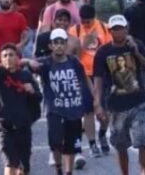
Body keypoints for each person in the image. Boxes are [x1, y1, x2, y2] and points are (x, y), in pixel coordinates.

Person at [93, 15, 145, 175]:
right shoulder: (103, 52)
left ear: (127, 29)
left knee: (143, 141)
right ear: (110, 31)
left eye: (121, 28)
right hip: (116, 105)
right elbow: (98, 79)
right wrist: (97, 104)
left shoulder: (137, 46)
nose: (118, 32)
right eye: (115, 29)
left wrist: (137, 53)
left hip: (138, 102)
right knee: (120, 145)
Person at [25, 29, 94, 175]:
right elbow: (23, 64)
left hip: (74, 109)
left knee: (71, 145)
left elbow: (85, 78)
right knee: (56, 143)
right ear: (51, 46)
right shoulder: (45, 63)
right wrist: (28, 61)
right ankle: (59, 168)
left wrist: (96, 99)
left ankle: (68, 172)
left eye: (62, 43)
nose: (59, 46)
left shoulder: (73, 61)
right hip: (55, 110)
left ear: (66, 44)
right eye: (55, 43)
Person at [0, 44, 42, 175]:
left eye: (11, 55)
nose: (8, 58)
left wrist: (32, 92)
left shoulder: (25, 76)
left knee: (24, 166)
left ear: (18, 58)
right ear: (1, 60)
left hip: (23, 126)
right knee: (11, 162)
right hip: (4, 127)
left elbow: (38, 98)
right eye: (4, 56)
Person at [68, 4, 112, 156]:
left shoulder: (105, 28)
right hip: (84, 75)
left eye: (88, 21)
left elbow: (109, 51)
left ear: (94, 17)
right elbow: (71, 56)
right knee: (88, 111)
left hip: (103, 74)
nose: (85, 24)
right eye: (83, 20)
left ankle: (103, 133)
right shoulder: (75, 31)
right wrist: (82, 45)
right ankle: (92, 143)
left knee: (106, 110)